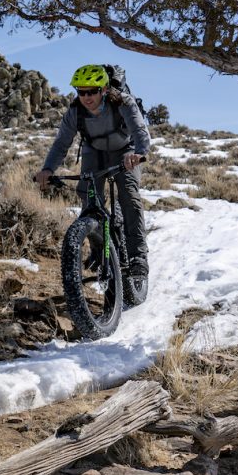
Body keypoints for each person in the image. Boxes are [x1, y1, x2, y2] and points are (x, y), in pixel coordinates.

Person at [35, 64, 150, 301]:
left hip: (126, 152)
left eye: (92, 91)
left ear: (104, 89)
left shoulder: (123, 103)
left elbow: (140, 130)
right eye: (81, 91)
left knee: (129, 194)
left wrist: (139, 152)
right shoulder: (75, 111)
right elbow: (61, 144)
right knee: (88, 197)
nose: (86, 97)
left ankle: (138, 256)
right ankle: (99, 249)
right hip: (94, 151)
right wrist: (47, 169)